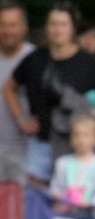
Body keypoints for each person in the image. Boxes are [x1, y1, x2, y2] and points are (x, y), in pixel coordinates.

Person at [3, 1, 95, 187]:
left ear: (72, 29)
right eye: (53, 24)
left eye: (63, 24)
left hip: (75, 146)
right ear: (46, 28)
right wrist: (21, 119)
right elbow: (9, 87)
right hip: (41, 143)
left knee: (71, 203)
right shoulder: (35, 59)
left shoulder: (88, 62)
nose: (57, 29)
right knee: (35, 201)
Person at [0, 0, 34, 185]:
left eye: (12, 25)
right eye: (2, 25)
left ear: (24, 27)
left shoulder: (35, 59)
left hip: (26, 150)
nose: (7, 31)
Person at [49, 114, 95, 208]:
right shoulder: (62, 163)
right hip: (64, 213)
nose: (81, 140)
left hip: (89, 217)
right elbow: (56, 186)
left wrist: (90, 204)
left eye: (86, 135)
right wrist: (57, 195)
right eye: (77, 135)